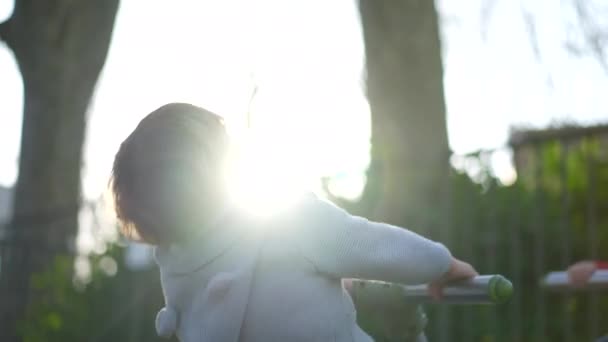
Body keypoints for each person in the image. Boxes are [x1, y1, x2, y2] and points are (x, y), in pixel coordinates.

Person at [109, 103, 478, 342]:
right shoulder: (283, 218)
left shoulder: (179, 274)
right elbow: (367, 244)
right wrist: (441, 264)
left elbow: (266, 302)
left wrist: (320, 284)